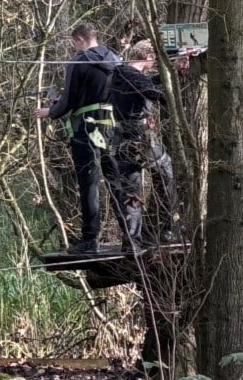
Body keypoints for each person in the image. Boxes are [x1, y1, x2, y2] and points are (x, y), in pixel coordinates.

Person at [37, 23, 121, 253]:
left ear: (80, 40)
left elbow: (70, 99)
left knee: (89, 182)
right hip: (112, 127)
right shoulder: (116, 60)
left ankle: (90, 239)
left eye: (75, 43)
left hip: (86, 129)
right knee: (116, 180)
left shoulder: (79, 61)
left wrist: (51, 112)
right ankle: (131, 237)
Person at [108, 40, 178, 249]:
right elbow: (149, 91)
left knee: (131, 190)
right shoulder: (131, 75)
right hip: (139, 137)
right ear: (148, 56)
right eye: (153, 59)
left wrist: (172, 73)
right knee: (166, 172)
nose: (154, 63)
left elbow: (144, 84)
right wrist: (167, 96)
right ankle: (170, 228)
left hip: (121, 138)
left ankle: (132, 242)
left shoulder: (119, 74)